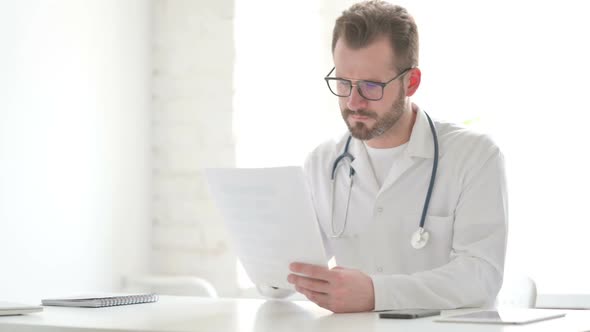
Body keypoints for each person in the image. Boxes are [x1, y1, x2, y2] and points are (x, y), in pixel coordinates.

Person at [261, 0, 507, 313]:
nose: (353, 102)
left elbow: (481, 277)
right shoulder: (323, 163)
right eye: (343, 82)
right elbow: (289, 274)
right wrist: (265, 258)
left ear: (411, 82)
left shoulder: (473, 157)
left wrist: (377, 293)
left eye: (370, 86)